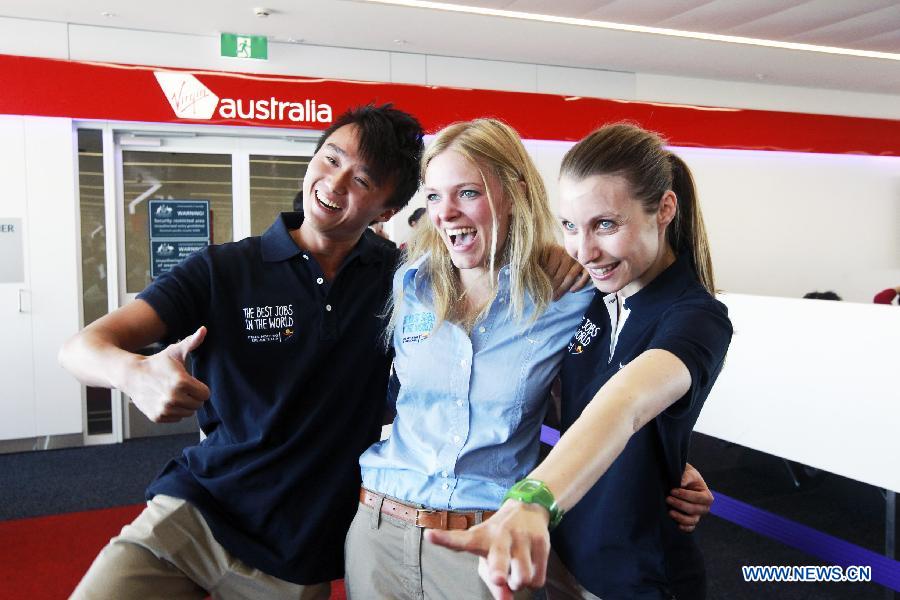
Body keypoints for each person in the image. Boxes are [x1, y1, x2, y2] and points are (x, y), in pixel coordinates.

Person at [59, 104, 425, 599]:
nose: (335, 183)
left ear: (387, 210)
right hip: (198, 510)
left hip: (297, 551)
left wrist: (560, 255)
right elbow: (81, 348)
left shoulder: (401, 282)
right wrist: (134, 373)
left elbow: (483, 269)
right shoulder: (225, 269)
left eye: (362, 179)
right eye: (332, 158)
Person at [345, 119, 715, 600]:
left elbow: (613, 397)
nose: (446, 212)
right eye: (434, 196)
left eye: (468, 193)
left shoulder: (568, 296)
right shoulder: (411, 285)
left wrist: (664, 462)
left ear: (514, 192)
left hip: (489, 537)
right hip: (379, 529)